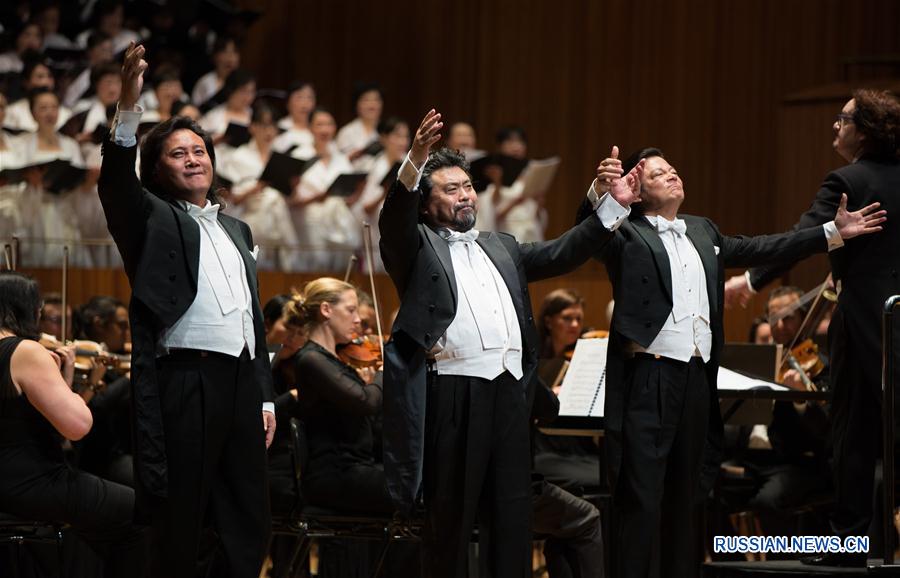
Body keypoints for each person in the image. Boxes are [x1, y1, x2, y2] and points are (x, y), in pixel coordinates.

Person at [581, 144, 884, 578]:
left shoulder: (702, 230)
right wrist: (601, 194)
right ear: (636, 191)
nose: (672, 176)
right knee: (641, 497)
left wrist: (831, 233)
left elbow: (765, 246)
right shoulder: (624, 233)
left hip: (696, 380)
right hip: (648, 378)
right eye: (657, 174)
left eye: (672, 169)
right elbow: (585, 232)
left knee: (689, 497)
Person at [379, 109, 622, 577]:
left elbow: (563, 252)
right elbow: (394, 219)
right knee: (450, 522)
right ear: (427, 205)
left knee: (511, 518)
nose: (465, 194)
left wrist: (607, 203)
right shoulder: (414, 246)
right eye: (451, 189)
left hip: (511, 393)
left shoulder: (502, 245)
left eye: (467, 186)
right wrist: (414, 160)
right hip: (453, 394)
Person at [97, 44, 275, 578]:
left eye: (200, 151)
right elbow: (115, 182)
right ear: (157, 168)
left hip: (243, 381)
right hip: (186, 378)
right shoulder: (148, 218)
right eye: (178, 153)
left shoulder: (237, 228)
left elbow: (253, 320)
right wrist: (129, 104)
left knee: (249, 518)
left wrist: (264, 393)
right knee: (181, 515)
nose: (194, 159)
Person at [724, 88, 900, 567]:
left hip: (864, 325)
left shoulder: (846, 180)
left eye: (843, 120)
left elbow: (802, 238)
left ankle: (848, 544)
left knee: (855, 436)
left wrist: (751, 279)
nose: (835, 128)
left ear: (863, 130)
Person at [0, 271, 148, 578]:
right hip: (31, 482)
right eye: (39, 312)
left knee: (95, 524)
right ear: (24, 309)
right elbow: (77, 426)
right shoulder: (25, 351)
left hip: (8, 483)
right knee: (143, 513)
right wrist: (68, 384)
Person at [288, 278, 418, 577]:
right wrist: (387, 371)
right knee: (416, 493)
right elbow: (365, 403)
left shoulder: (335, 361)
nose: (359, 319)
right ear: (326, 310)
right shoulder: (310, 359)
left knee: (423, 487)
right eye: (351, 310)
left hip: (355, 470)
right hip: (334, 475)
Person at [217, 101, 301, 271]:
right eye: (263, 126)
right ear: (252, 127)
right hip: (250, 217)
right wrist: (257, 188)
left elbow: (290, 199)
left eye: (273, 127)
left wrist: (293, 186)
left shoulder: (280, 158)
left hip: (279, 216)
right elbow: (232, 199)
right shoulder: (239, 156)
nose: (269, 132)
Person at [289, 107, 362, 271]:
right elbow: (291, 199)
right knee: (312, 269)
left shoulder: (341, 159)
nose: (325, 129)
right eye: (319, 124)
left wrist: (357, 194)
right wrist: (316, 198)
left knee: (339, 270)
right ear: (310, 128)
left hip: (338, 222)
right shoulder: (299, 155)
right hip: (309, 221)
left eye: (329, 124)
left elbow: (347, 196)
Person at [335, 82, 383, 169]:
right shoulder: (346, 132)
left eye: (376, 100)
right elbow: (338, 164)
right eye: (366, 100)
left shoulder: (387, 131)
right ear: (357, 104)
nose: (372, 105)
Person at [273, 80, 316, 159]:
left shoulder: (316, 129)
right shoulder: (280, 128)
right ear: (288, 102)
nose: (305, 103)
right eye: (299, 97)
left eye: (310, 97)